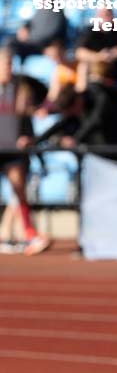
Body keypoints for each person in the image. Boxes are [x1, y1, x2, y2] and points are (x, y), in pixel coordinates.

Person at [0, 47, 50, 255]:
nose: (7, 68)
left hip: (14, 149)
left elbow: (41, 97)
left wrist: (28, 137)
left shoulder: (22, 88)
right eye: (4, 64)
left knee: (19, 191)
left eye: (10, 64)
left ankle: (28, 233)